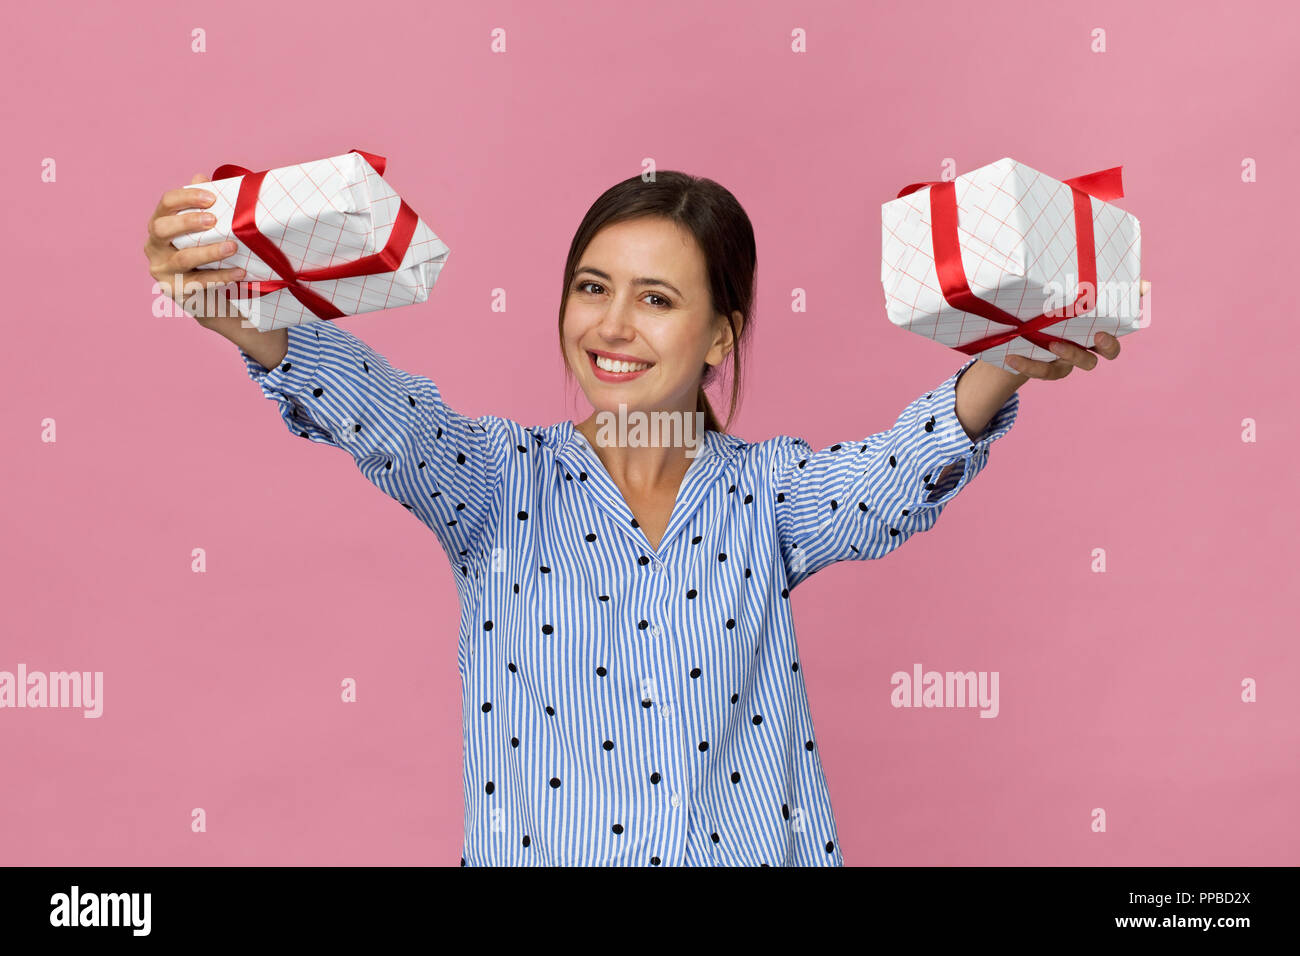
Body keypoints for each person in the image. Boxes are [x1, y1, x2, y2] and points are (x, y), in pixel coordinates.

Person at [143, 169, 1128, 866]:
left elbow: (890, 478)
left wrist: (1012, 354)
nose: (611, 326)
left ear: (719, 334)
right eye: (590, 287)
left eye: (656, 298)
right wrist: (235, 303)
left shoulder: (768, 495)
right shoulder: (494, 481)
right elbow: (381, 415)